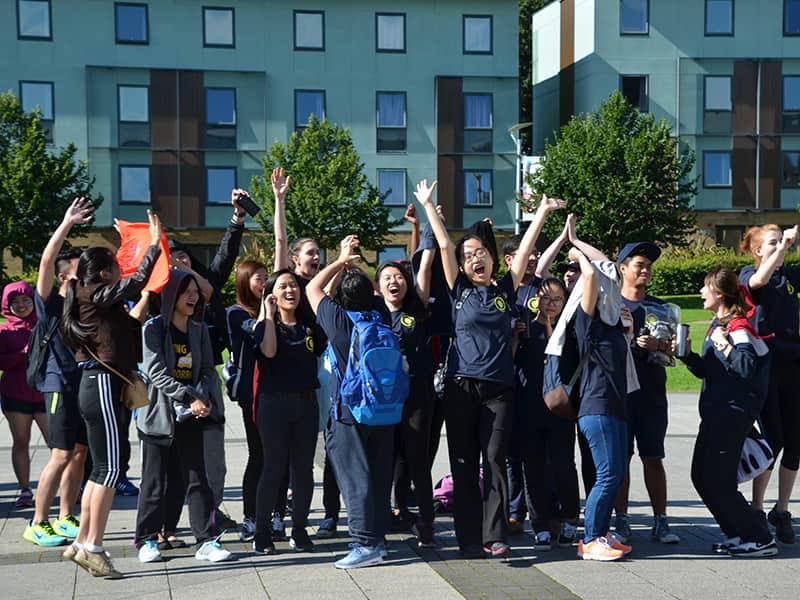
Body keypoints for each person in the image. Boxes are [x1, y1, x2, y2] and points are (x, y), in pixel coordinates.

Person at [413, 179, 565, 559]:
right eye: (468, 256)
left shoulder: (505, 291)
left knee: (494, 460)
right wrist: (429, 206)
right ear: (463, 266)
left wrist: (542, 212)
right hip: (460, 388)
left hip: (499, 390)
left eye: (480, 252)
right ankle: (468, 538)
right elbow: (444, 245)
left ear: (494, 259)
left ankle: (494, 535)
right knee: (463, 463)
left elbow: (526, 250)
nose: (474, 259)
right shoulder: (459, 290)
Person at [61, 209, 162, 579]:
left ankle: (82, 543)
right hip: (102, 383)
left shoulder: (92, 297)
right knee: (112, 469)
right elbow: (136, 281)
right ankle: (94, 547)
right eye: (117, 266)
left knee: (102, 469)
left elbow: (128, 315)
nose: (122, 270)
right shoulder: (96, 293)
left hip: (97, 384)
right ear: (104, 273)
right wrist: (153, 245)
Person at [546, 221, 636, 562]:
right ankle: (591, 539)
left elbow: (607, 269)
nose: (614, 290)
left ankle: (600, 532)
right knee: (608, 474)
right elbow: (593, 276)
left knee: (614, 472)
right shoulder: (588, 322)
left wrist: (577, 238)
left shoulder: (614, 326)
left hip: (614, 406)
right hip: (596, 408)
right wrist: (576, 253)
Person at [306, 235, 394, 569]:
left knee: (355, 479)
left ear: (340, 299)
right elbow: (370, 294)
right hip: (384, 409)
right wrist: (353, 269)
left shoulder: (340, 322)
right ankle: (378, 539)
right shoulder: (381, 315)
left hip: (349, 411)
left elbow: (313, 288)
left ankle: (363, 544)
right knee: (378, 478)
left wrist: (341, 261)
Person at [135, 271, 232, 564]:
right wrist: (189, 396)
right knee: (154, 482)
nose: (193, 297)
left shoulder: (198, 329)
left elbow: (207, 368)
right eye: (186, 291)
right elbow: (156, 372)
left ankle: (206, 541)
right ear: (171, 296)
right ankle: (147, 540)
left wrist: (202, 397)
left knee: (197, 478)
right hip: (158, 417)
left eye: (195, 292)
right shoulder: (154, 329)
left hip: (192, 415)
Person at [681, 267, 776, 557]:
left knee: (719, 480)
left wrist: (724, 345)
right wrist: (687, 355)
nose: (700, 292)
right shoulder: (718, 324)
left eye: (704, 287)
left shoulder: (737, 327)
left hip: (731, 415)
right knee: (701, 476)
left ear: (719, 293)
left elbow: (746, 367)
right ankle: (736, 533)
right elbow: (711, 371)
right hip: (715, 413)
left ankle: (759, 538)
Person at [24, 198, 93, 547]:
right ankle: (38, 521)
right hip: (59, 383)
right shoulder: (50, 302)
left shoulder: (85, 304)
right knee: (61, 454)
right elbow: (46, 261)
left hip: (84, 384)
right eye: (80, 272)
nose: (87, 277)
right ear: (64, 276)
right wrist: (67, 222)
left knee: (80, 452)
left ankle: (66, 515)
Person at [252, 269, 325, 555]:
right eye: (282, 286)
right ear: (272, 294)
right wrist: (269, 315)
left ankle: (300, 529)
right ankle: (262, 532)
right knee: (273, 468)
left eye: (293, 285)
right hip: (274, 405)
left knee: (303, 470)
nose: (290, 290)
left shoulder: (309, 326)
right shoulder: (265, 325)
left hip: (306, 403)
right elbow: (269, 352)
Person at [502, 222, 569, 535]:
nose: (532, 258)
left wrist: (563, 237)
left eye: (534, 254)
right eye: (525, 254)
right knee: (514, 453)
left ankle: (551, 513)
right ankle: (515, 511)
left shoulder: (543, 288)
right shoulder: (505, 289)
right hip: (516, 380)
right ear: (509, 260)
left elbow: (545, 261)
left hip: (546, 382)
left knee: (548, 455)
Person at [613, 242, 680, 545]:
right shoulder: (610, 305)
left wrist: (659, 346)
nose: (645, 270)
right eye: (639, 264)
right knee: (621, 458)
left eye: (649, 266)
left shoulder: (661, 309)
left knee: (653, 456)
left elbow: (674, 353)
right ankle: (621, 520)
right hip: (619, 394)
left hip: (652, 394)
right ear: (622, 268)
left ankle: (661, 521)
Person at [739, 224, 800, 545]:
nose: (780, 246)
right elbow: (758, 282)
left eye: (782, 241)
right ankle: (757, 507)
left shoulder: (789, 277)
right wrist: (784, 247)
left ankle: (782, 509)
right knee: (772, 439)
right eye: (772, 243)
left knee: (795, 442)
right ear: (758, 250)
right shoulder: (750, 274)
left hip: (793, 365)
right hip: (766, 368)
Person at [514, 277, 580, 550]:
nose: (550, 304)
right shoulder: (525, 328)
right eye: (545, 298)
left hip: (559, 410)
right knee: (533, 468)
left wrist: (554, 329)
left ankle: (570, 519)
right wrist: (516, 337)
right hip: (529, 407)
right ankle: (539, 525)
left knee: (563, 465)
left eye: (557, 299)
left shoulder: (570, 333)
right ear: (535, 300)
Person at [376, 258, 436, 547]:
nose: (393, 282)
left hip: (417, 393)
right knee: (385, 457)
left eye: (399, 277)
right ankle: (383, 516)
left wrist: (428, 237)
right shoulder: (373, 315)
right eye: (387, 277)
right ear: (378, 287)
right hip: (384, 398)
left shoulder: (417, 310)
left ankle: (426, 521)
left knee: (417, 458)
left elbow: (424, 268)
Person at [226, 260, 267, 543]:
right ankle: (250, 516)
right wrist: (268, 307)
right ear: (244, 281)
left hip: (275, 390)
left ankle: (274, 514)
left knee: (276, 457)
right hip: (251, 393)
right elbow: (258, 329)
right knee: (258, 454)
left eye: (266, 277)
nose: (264, 283)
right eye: (258, 279)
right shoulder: (236, 312)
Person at [1, 280, 47, 508]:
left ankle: (68, 486)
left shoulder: (45, 325)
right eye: (15, 302)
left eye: (26, 300)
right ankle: (25, 489)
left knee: (57, 443)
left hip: (45, 393)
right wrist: (24, 352)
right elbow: (2, 362)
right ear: (6, 305)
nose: (21, 305)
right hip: (15, 395)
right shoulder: (4, 331)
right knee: (21, 441)